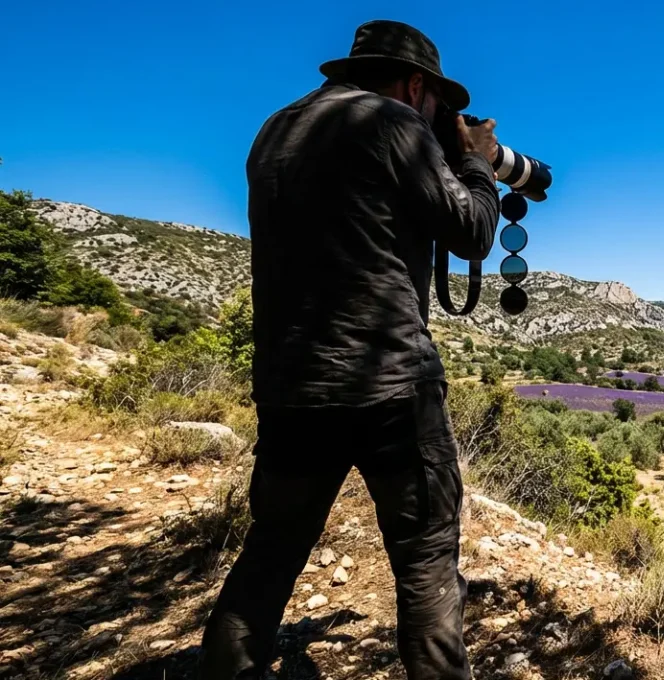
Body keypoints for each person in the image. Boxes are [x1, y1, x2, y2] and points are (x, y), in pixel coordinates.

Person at [198, 20, 499, 680]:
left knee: (271, 552)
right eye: (434, 102)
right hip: (390, 387)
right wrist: (475, 158)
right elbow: (474, 230)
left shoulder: (275, 131)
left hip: (290, 386)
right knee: (425, 564)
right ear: (416, 84)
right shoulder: (393, 122)